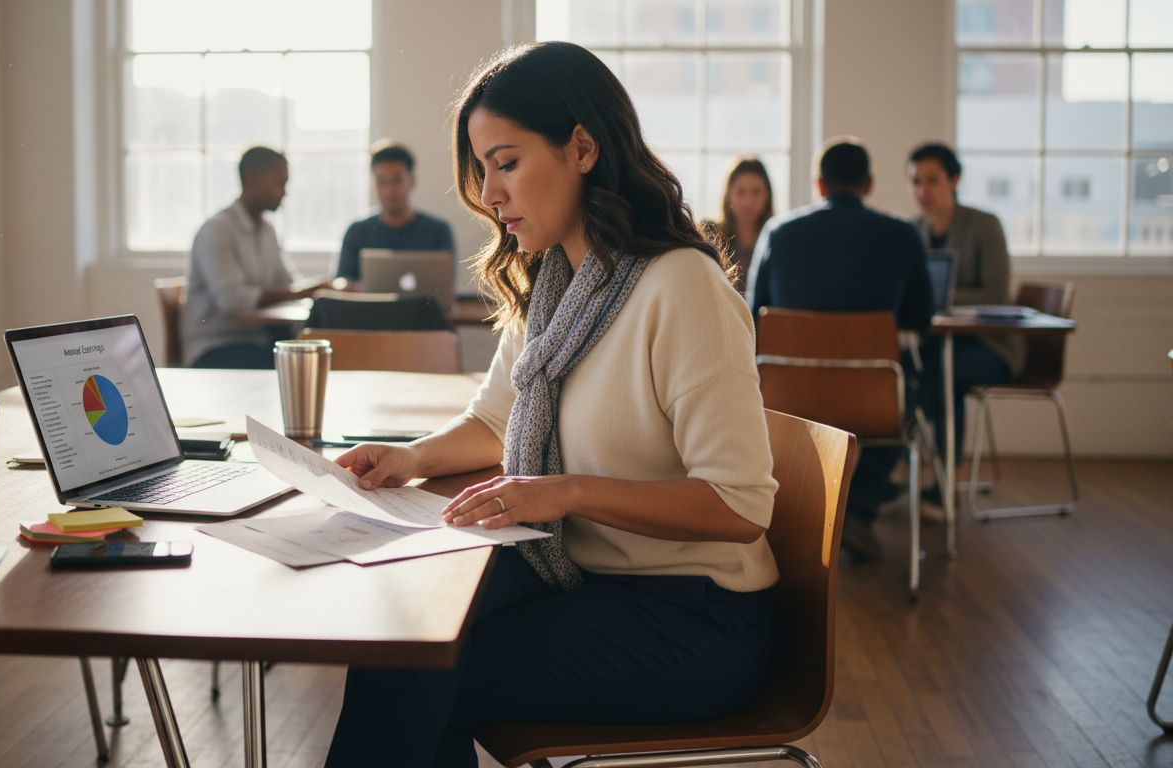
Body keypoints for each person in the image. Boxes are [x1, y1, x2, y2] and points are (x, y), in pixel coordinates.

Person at [323, 41, 780, 768]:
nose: (488, 192)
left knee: (426, 667)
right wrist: (408, 458)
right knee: (407, 639)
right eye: (481, 169)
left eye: (506, 162)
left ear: (583, 148)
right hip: (593, 582)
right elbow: (494, 420)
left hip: (695, 615)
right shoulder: (561, 286)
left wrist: (563, 493)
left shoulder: (681, 287)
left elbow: (740, 505)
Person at [748, 138, 933, 561]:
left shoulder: (779, 231)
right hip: (875, 401)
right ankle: (859, 512)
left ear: (818, 184)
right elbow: (920, 319)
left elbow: (753, 318)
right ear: (869, 184)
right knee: (908, 394)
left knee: (810, 415)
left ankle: (804, 516)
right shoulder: (903, 234)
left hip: (788, 399)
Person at [907, 142, 1023, 471]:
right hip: (934, 342)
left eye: (932, 180)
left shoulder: (984, 225)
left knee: (942, 373)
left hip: (991, 346)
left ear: (954, 179)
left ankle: (942, 477)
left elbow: (997, 294)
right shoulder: (914, 230)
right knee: (909, 370)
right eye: (916, 182)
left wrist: (939, 297)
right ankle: (912, 470)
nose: (923, 190)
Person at [182, 147, 324, 369]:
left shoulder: (267, 231)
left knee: (312, 355)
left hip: (257, 341)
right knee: (295, 367)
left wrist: (318, 290)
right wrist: (305, 291)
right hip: (216, 347)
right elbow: (231, 300)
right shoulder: (217, 231)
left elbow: (286, 284)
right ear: (253, 179)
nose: (284, 192)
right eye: (279, 183)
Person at [334, 140, 456, 285]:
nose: (389, 190)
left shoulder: (437, 231)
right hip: (366, 308)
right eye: (382, 182)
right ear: (374, 185)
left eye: (397, 180)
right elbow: (342, 283)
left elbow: (445, 289)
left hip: (419, 308)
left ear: (412, 182)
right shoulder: (356, 231)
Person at [702, 157, 774, 291]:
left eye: (756, 192)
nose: (748, 201)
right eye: (741, 192)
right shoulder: (710, 234)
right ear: (728, 194)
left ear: (767, 196)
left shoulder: (776, 239)